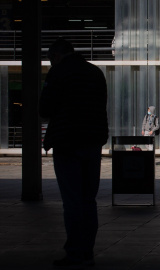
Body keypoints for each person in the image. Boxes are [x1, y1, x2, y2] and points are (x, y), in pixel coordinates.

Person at [39, 38, 108, 268]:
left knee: (72, 201)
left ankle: (75, 253)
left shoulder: (58, 73)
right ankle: (87, 252)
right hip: (92, 141)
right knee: (88, 200)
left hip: (67, 141)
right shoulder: (95, 72)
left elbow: (45, 109)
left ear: (55, 56)